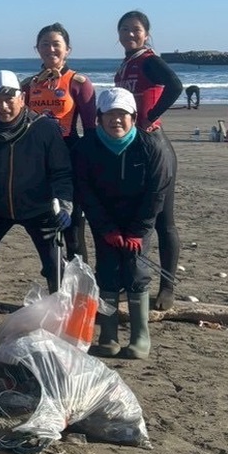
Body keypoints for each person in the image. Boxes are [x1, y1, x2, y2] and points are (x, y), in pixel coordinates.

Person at [0, 70, 73, 345]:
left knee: (56, 265)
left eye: (11, 98)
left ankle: (62, 327)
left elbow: (61, 171)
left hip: (40, 207)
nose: (5, 106)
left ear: (22, 98)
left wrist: (64, 205)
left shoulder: (43, 128)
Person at [73, 88, 173, 359]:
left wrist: (138, 233)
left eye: (123, 115)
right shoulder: (87, 147)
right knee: (106, 270)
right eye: (110, 115)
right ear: (100, 117)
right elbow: (84, 190)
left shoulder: (150, 146)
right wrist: (107, 229)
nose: (116, 120)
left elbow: (157, 193)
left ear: (133, 116)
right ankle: (108, 336)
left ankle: (140, 337)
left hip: (138, 218)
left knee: (136, 270)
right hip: (105, 218)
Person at [114, 10, 184, 310]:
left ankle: (167, 287)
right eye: (124, 29)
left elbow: (175, 86)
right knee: (132, 217)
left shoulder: (149, 60)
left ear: (147, 33)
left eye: (136, 29)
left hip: (154, 147)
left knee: (163, 222)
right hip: (130, 146)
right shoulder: (127, 62)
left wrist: (151, 116)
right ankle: (128, 280)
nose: (130, 34)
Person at [21, 23, 96, 261]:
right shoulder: (28, 84)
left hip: (69, 156)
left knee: (73, 230)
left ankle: (81, 290)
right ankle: (57, 285)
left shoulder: (79, 82)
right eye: (45, 44)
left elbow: (91, 130)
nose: (50, 49)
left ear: (68, 50)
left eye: (56, 44)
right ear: (37, 49)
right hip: (37, 160)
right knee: (46, 228)